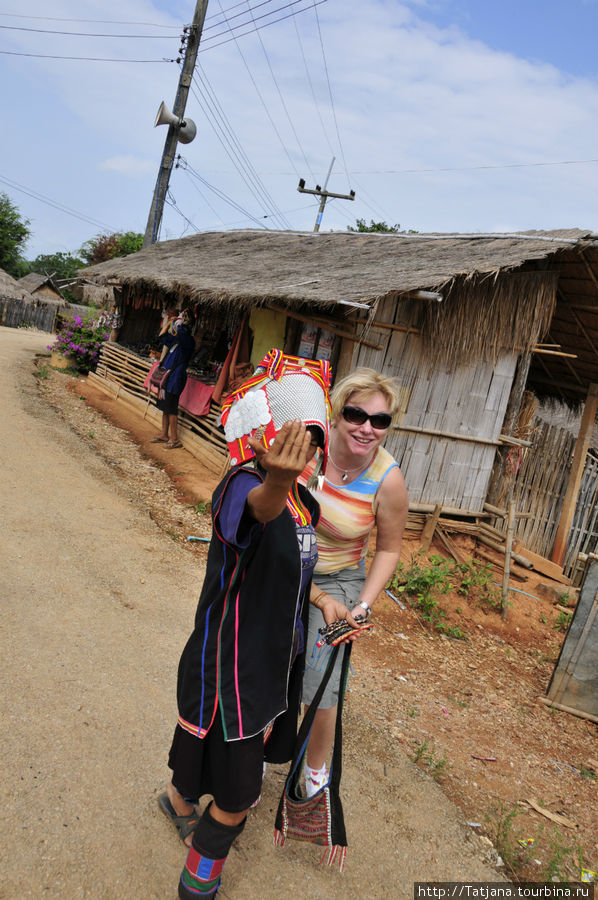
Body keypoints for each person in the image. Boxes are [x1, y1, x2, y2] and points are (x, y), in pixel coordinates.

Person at [158, 350, 358, 899]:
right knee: (241, 786)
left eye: (314, 436)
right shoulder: (243, 488)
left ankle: (177, 802)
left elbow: (292, 569)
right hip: (232, 662)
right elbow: (257, 512)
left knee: (213, 749)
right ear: (265, 433)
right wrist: (274, 480)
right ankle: (202, 870)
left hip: (273, 657)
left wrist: (322, 601)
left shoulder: (304, 505)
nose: (308, 448)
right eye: (299, 435)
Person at [300, 368, 409, 797]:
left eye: (379, 420)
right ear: (336, 412)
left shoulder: (388, 480)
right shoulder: (310, 446)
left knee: (321, 673)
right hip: (287, 565)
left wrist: (363, 604)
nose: (366, 428)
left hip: (340, 579)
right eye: (356, 414)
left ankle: (313, 770)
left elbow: (388, 549)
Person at [151, 308, 196, 449]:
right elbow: (161, 337)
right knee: (165, 406)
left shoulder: (188, 341)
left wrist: (180, 321)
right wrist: (169, 322)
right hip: (167, 377)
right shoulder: (176, 339)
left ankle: (174, 439)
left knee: (171, 408)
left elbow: (182, 332)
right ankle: (164, 434)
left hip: (176, 378)